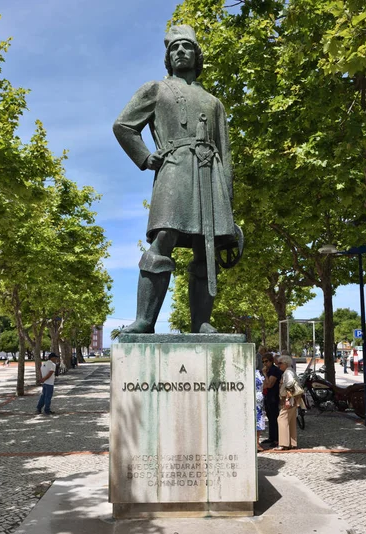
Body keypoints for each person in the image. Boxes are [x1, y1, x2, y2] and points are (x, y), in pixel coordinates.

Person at [113, 25, 239, 334]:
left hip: (210, 178)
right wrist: (145, 156)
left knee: (205, 248)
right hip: (174, 170)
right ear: (168, 57)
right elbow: (124, 126)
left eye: (186, 47)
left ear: (197, 56)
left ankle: (202, 322)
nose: (180, 51)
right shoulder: (155, 89)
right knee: (165, 236)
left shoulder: (214, 102)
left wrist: (229, 205)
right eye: (174, 48)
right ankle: (145, 320)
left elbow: (226, 153)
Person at [275, 354, 302, 451]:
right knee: (290, 420)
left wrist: (287, 399)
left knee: (282, 419)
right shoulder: (290, 371)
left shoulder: (287, 373)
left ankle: (284, 443)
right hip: (293, 399)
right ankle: (292, 442)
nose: (279, 365)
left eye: (280, 363)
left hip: (289, 399)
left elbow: (290, 384)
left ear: (285, 363)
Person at [261, 352, 282, 447]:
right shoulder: (269, 371)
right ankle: (271, 437)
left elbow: (269, 384)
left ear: (271, 361)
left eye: (266, 361)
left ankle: (277, 439)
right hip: (268, 396)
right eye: (263, 362)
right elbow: (265, 384)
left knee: (274, 417)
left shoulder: (274, 370)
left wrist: (265, 374)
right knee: (270, 417)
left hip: (273, 396)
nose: (265, 363)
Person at [255, 370, 265, 451]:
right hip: (251, 397)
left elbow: (266, 385)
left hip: (259, 401)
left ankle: (257, 443)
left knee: (258, 421)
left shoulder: (259, 372)